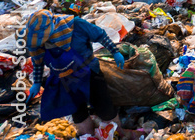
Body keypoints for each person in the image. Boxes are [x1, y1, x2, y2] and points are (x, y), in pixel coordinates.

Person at [25, 9, 125, 137]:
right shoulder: (36, 39)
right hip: (64, 79)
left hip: (89, 73)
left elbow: (100, 35)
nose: (40, 39)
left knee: (104, 107)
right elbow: (37, 61)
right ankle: (88, 137)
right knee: (78, 112)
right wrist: (37, 82)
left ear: (52, 25)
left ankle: (119, 135)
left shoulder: (75, 25)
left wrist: (115, 51)